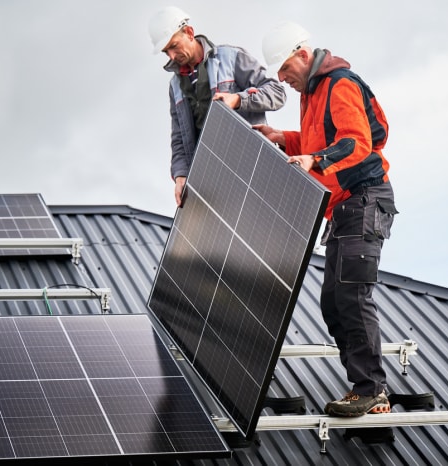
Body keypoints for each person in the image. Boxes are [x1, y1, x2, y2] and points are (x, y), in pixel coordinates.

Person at [254, 21, 398, 417]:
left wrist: (315, 161)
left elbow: (355, 142)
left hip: (365, 198)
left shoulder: (340, 84)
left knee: (352, 295)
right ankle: (364, 388)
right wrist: (282, 137)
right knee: (332, 302)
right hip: (342, 207)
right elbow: (319, 141)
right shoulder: (311, 93)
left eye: (284, 69)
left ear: (303, 55)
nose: (282, 79)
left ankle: (372, 389)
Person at [148, 6, 286, 207]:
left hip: (252, 168)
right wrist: (180, 176)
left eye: (174, 46)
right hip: (214, 183)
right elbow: (179, 137)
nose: (171, 56)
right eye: (166, 51)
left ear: (189, 32)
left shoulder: (231, 58)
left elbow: (277, 93)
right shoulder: (175, 86)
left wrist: (238, 99)